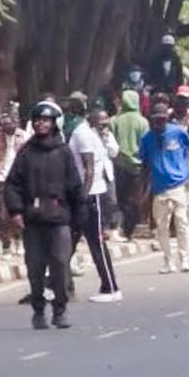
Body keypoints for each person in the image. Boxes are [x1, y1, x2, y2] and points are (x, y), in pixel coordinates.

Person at [2, 100, 84, 329]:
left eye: (46, 120)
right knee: (35, 267)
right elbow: (12, 185)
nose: (41, 124)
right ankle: (38, 309)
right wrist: (16, 211)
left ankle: (60, 309)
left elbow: (75, 187)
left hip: (59, 219)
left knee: (59, 264)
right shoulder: (26, 153)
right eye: (37, 120)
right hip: (33, 219)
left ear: (54, 123)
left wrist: (79, 218)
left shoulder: (64, 152)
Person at [141, 100, 189, 274]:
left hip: (179, 185)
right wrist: (144, 191)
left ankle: (185, 259)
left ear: (167, 118)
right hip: (159, 188)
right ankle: (168, 261)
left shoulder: (177, 132)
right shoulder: (147, 138)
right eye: (155, 120)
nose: (158, 123)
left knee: (182, 223)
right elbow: (145, 166)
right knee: (162, 226)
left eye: (162, 119)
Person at [70, 105, 122, 303]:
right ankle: (53, 284)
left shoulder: (88, 135)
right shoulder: (85, 134)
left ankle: (110, 287)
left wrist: (83, 197)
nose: (104, 127)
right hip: (85, 194)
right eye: (101, 123)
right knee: (68, 242)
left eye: (106, 123)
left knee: (96, 243)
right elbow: (88, 168)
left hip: (90, 195)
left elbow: (91, 170)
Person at [109, 89, 149, 239]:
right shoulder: (143, 122)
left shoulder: (115, 121)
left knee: (120, 198)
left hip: (119, 164)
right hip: (138, 167)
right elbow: (145, 144)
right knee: (134, 199)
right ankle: (129, 229)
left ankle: (119, 227)